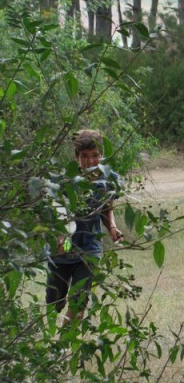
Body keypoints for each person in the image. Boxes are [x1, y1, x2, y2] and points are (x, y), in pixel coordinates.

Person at [46, 129, 123, 330]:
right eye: (85, 157)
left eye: (95, 156)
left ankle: (62, 347)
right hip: (61, 252)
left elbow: (106, 207)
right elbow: (56, 213)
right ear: (76, 157)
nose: (90, 162)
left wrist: (112, 227)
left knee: (79, 300)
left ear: (102, 155)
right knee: (54, 303)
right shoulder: (64, 180)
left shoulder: (109, 178)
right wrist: (60, 237)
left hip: (90, 248)